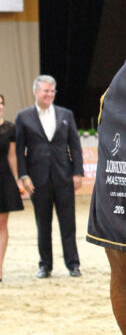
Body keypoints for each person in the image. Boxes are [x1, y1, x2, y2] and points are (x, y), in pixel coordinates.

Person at [15, 75, 84, 278]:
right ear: (36, 92)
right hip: (38, 180)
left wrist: (78, 172)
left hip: (64, 178)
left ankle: (73, 264)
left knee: (68, 223)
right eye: (46, 91)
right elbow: (19, 150)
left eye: (52, 91)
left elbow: (75, 146)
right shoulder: (23, 117)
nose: (50, 94)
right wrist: (23, 175)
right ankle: (45, 265)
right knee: (42, 224)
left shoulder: (66, 114)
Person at [0, 93, 24, 281]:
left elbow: (13, 156)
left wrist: (17, 180)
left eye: (1, 103)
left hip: (4, 179)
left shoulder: (10, 128)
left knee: (2, 225)